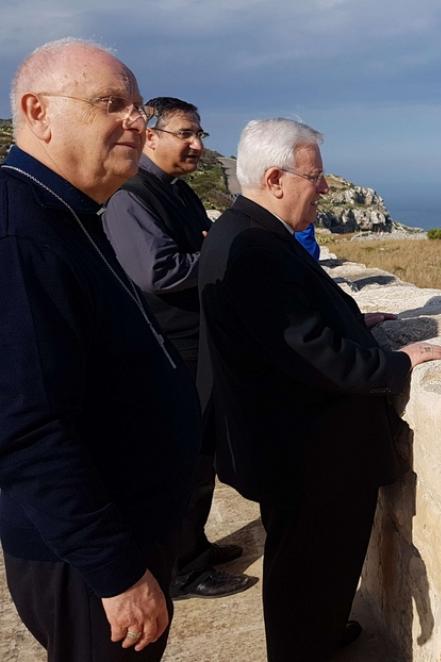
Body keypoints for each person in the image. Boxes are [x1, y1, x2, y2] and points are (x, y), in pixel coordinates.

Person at [198, 117, 441, 661]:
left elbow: (285, 325)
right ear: (276, 179)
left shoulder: (242, 232)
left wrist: (357, 323)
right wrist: (397, 361)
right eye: (316, 177)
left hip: (284, 442)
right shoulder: (257, 249)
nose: (326, 188)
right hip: (307, 452)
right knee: (309, 564)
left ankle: (320, 633)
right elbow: (313, 353)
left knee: (304, 563)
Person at [0, 39, 200, 660]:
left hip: (122, 528)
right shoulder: (20, 234)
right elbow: (24, 426)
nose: (136, 121)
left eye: (138, 107)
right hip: (89, 556)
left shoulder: (69, 213)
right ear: (38, 112)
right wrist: (114, 571)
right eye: (112, 103)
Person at [103, 97, 253, 600]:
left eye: (200, 134)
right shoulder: (132, 196)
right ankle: (182, 569)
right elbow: (158, 272)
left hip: (194, 345)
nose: (198, 144)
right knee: (183, 461)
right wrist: (215, 255)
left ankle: (195, 546)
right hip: (168, 351)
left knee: (199, 456)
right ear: (151, 136)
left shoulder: (177, 193)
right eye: (187, 133)